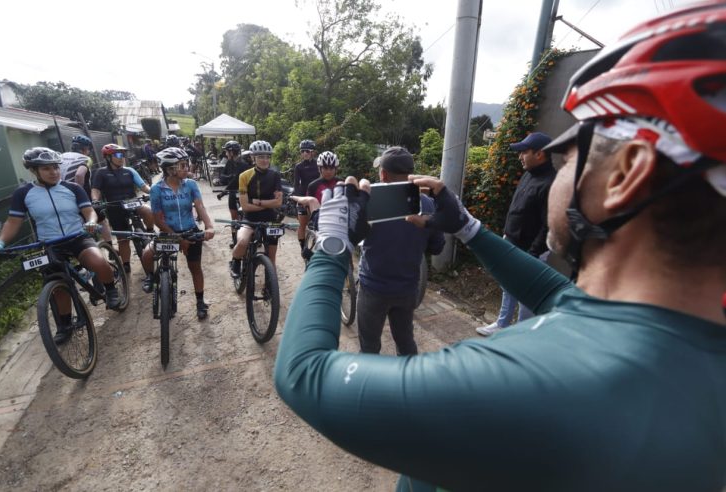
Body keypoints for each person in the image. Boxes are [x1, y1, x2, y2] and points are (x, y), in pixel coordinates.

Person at [274, 3, 726, 490]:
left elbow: (303, 374)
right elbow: (555, 294)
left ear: (625, 174)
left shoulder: (540, 385)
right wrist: (469, 227)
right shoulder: (673, 341)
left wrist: (332, 243)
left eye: (568, 157)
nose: (555, 175)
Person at [0, 147, 121, 343]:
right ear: (34, 171)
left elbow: (89, 211)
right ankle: (65, 325)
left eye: (56, 167)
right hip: (50, 244)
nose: (54, 172)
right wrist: (0, 242)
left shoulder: (73, 188)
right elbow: (13, 222)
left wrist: (90, 222)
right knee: (57, 287)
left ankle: (111, 290)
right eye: (46, 169)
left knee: (99, 262)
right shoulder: (24, 193)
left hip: (77, 237)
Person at [356, 147, 445, 355]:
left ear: (383, 174)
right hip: (407, 289)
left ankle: (370, 385)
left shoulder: (370, 202)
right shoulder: (428, 205)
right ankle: (409, 384)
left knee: (369, 347)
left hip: (373, 288)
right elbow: (437, 247)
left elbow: (352, 237)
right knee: (405, 342)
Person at [476, 131, 556, 337]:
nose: (520, 156)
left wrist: (533, 254)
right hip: (511, 243)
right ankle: (503, 324)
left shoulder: (550, 183)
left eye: (524, 151)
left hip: (531, 251)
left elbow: (549, 225)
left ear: (540, 154)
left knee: (527, 296)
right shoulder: (529, 174)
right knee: (508, 286)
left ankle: (522, 335)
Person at [141, 147, 215, 320]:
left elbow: (200, 207)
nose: (187, 168)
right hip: (168, 233)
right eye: (182, 165)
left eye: (186, 164)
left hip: (190, 230)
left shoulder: (191, 184)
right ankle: (151, 277)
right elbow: (158, 220)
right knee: (146, 254)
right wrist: (176, 238)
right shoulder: (156, 190)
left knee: (195, 267)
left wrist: (209, 226)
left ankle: (200, 301)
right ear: (169, 169)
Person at [91, 143, 154, 274]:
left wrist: (154, 193)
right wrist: (95, 201)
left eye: (123, 154)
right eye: (118, 155)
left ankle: (150, 232)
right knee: (123, 239)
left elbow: (144, 187)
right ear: (108, 157)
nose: (122, 157)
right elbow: (95, 190)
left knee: (148, 211)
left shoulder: (129, 171)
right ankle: (126, 265)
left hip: (133, 202)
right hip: (114, 206)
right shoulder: (101, 173)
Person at [230, 140, 282, 275]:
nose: (265, 160)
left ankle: (270, 288)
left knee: (272, 260)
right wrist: (268, 204)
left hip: (271, 219)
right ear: (253, 158)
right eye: (261, 157)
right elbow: (245, 207)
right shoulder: (244, 176)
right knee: (242, 242)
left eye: (267, 157)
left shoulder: (275, 175)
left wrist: (258, 202)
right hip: (250, 219)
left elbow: (278, 203)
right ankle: (235, 261)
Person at [292, 139, 319, 257]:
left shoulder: (318, 165)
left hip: (316, 197)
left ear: (312, 152)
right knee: (302, 224)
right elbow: (296, 184)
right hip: (303, 197)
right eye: (302, 151)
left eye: (307, 151)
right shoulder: (299, 167)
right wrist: (297, 199)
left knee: (318, 224)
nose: (304, 154)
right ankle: (303, 248)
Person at [219, 141, 250, 243]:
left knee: (247, 216)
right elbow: (222, 177)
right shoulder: (229, 163)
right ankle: (234, 239)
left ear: (231, 152)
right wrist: (229, 176)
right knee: (234, 217)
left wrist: (224, 191)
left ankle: (251, 236)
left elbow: (236, 180)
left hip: (243, 193)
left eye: (227, 152)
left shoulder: (244, 165)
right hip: (232, 192)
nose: (226, 154)